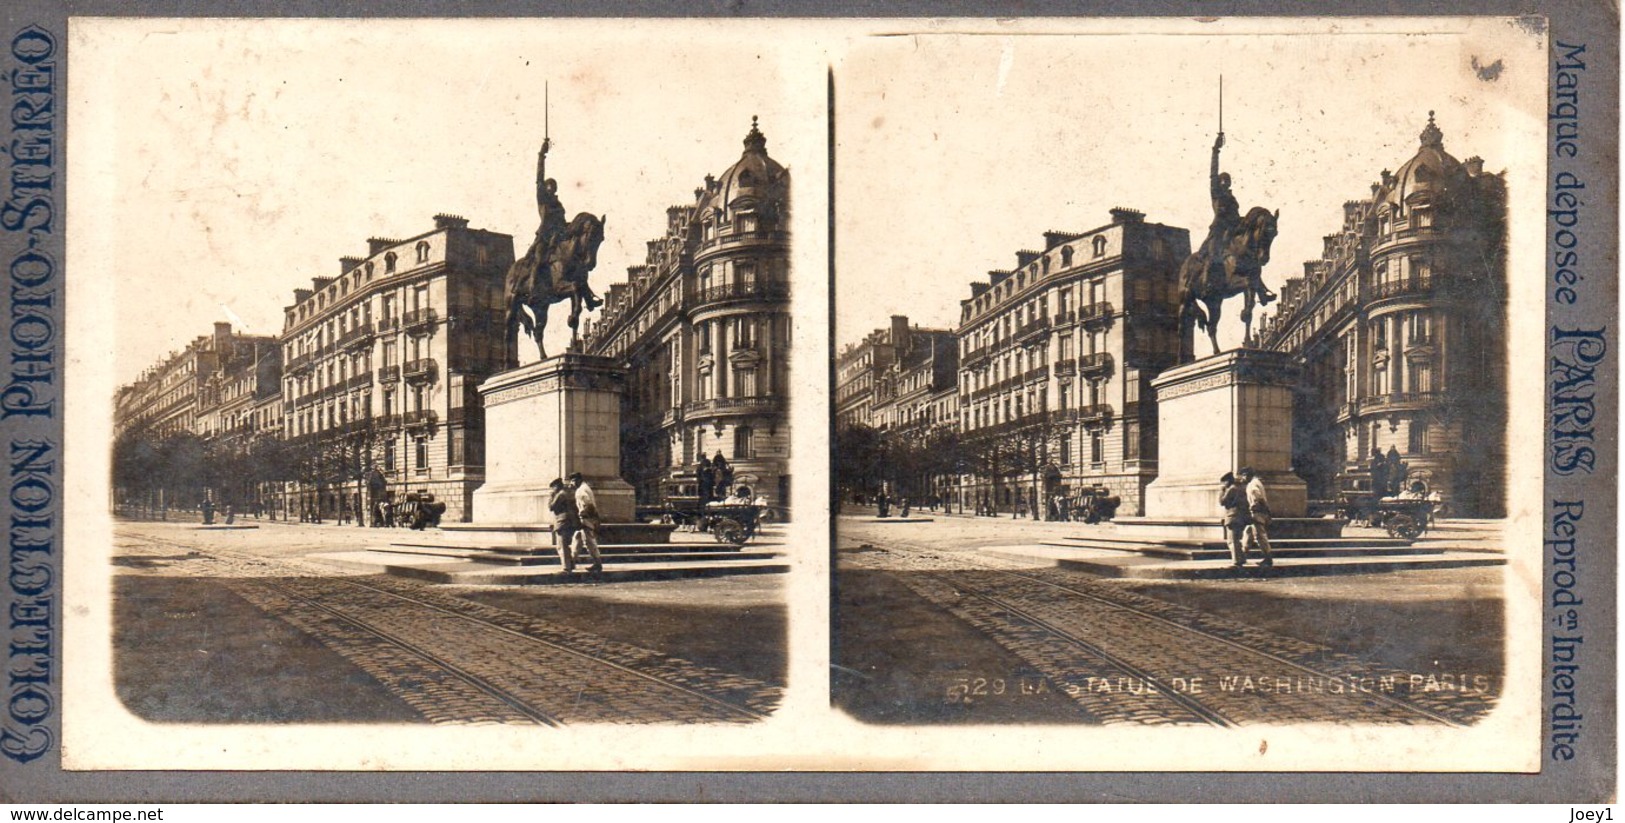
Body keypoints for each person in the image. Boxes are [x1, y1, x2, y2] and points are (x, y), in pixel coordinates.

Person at [568, 472, 603, 576]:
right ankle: (572, 561)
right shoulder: (585, 488)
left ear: (577, 480)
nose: (571, 483)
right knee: (577, 538)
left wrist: (583, 516)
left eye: (572, 481)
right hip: (587, 519)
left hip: (585, 520)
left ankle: (597, 563)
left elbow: (589, 505)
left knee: (589, 542)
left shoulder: (580, 491)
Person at [1239, 467, 1275, 568]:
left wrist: (1253, 509)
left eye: (1242, 476)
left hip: (1256, 513)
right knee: (1248, 532)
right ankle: (1243, 555)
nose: (1242, 479)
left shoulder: (1252, 485)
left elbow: (1258, 499)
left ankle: (1268, 558)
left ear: (1247, 475)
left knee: (1260, 536)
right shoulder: (1257, 482)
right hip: (1259, 512)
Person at [547, 478, 581, 575]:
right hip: (570, 521)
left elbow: (551, 507)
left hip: (563, 521)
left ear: (556, 486)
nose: (552, 490)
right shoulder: (568, 493)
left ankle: (566, 568)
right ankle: (570, 563)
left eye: (553, 488)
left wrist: (551, 496)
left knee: (562, 545)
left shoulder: (560, 494)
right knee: (565, 544)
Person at [1218, 472, 1251, 568]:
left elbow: (1222, 501)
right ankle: (1241, 558)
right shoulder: (1241, 488)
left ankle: (1237, 561)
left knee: (1232, 540)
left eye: (1224, 482)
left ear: (1228, 481)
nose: (1223, 484)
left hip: (1233, 516)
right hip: (1241, 517)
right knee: (1236, 539)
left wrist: (1221, 491)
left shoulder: (1231, 489)